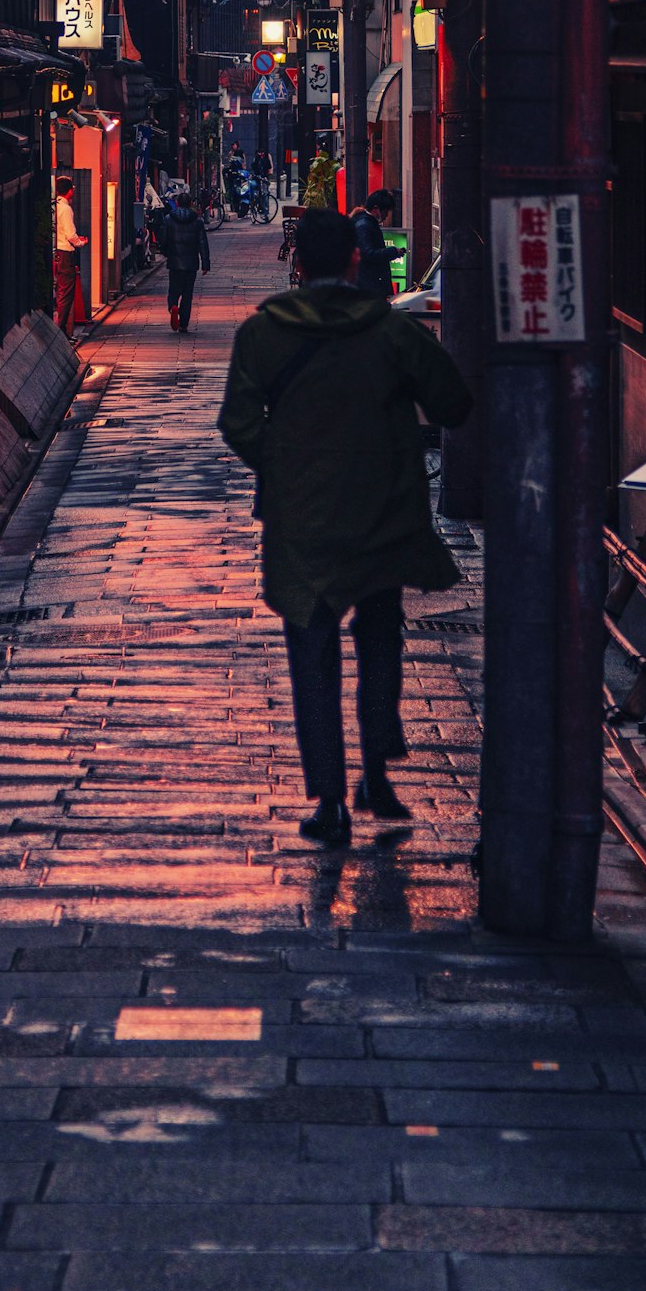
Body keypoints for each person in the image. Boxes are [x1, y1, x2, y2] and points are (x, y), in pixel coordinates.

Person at [217, 205, 472, 846]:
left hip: (302, 522)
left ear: (297, 262)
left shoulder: (264, 335)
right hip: (382, 513)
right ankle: (378, 774)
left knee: (313, 651)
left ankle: (330, 800)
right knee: (381, 638)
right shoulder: (389, 332)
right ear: (356, 258)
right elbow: (452, 402)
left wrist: (286, 467)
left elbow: (239, 423)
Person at [156, 184, 211, 333]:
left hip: (174, 262)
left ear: (178, 203)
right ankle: (184, 324)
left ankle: (173, 306)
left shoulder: (169, 219)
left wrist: (166, 252)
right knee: (187, 294)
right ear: (191, 204)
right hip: (191, 263)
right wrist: (206, 263)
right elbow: (202, 243)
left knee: (174, 289)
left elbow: (163, 239)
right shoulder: (198, 221)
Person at [53, 173, 89, 340]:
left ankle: (62, 332)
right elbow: (70, 235)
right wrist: (81, 242)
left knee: (62, 292)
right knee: (66, 293)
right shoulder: (66, 209)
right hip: (66, 253)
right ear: (68, 191)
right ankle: (60, 332)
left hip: (57, 252)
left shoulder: (55, 206)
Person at [351, 186, 396, 299]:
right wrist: (392, 252)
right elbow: (368, 254)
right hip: (369, 287)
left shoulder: (365, 223)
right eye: (386, 211)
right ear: (376, 209)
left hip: (369, 285)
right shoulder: (365, 225)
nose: (386, 216)